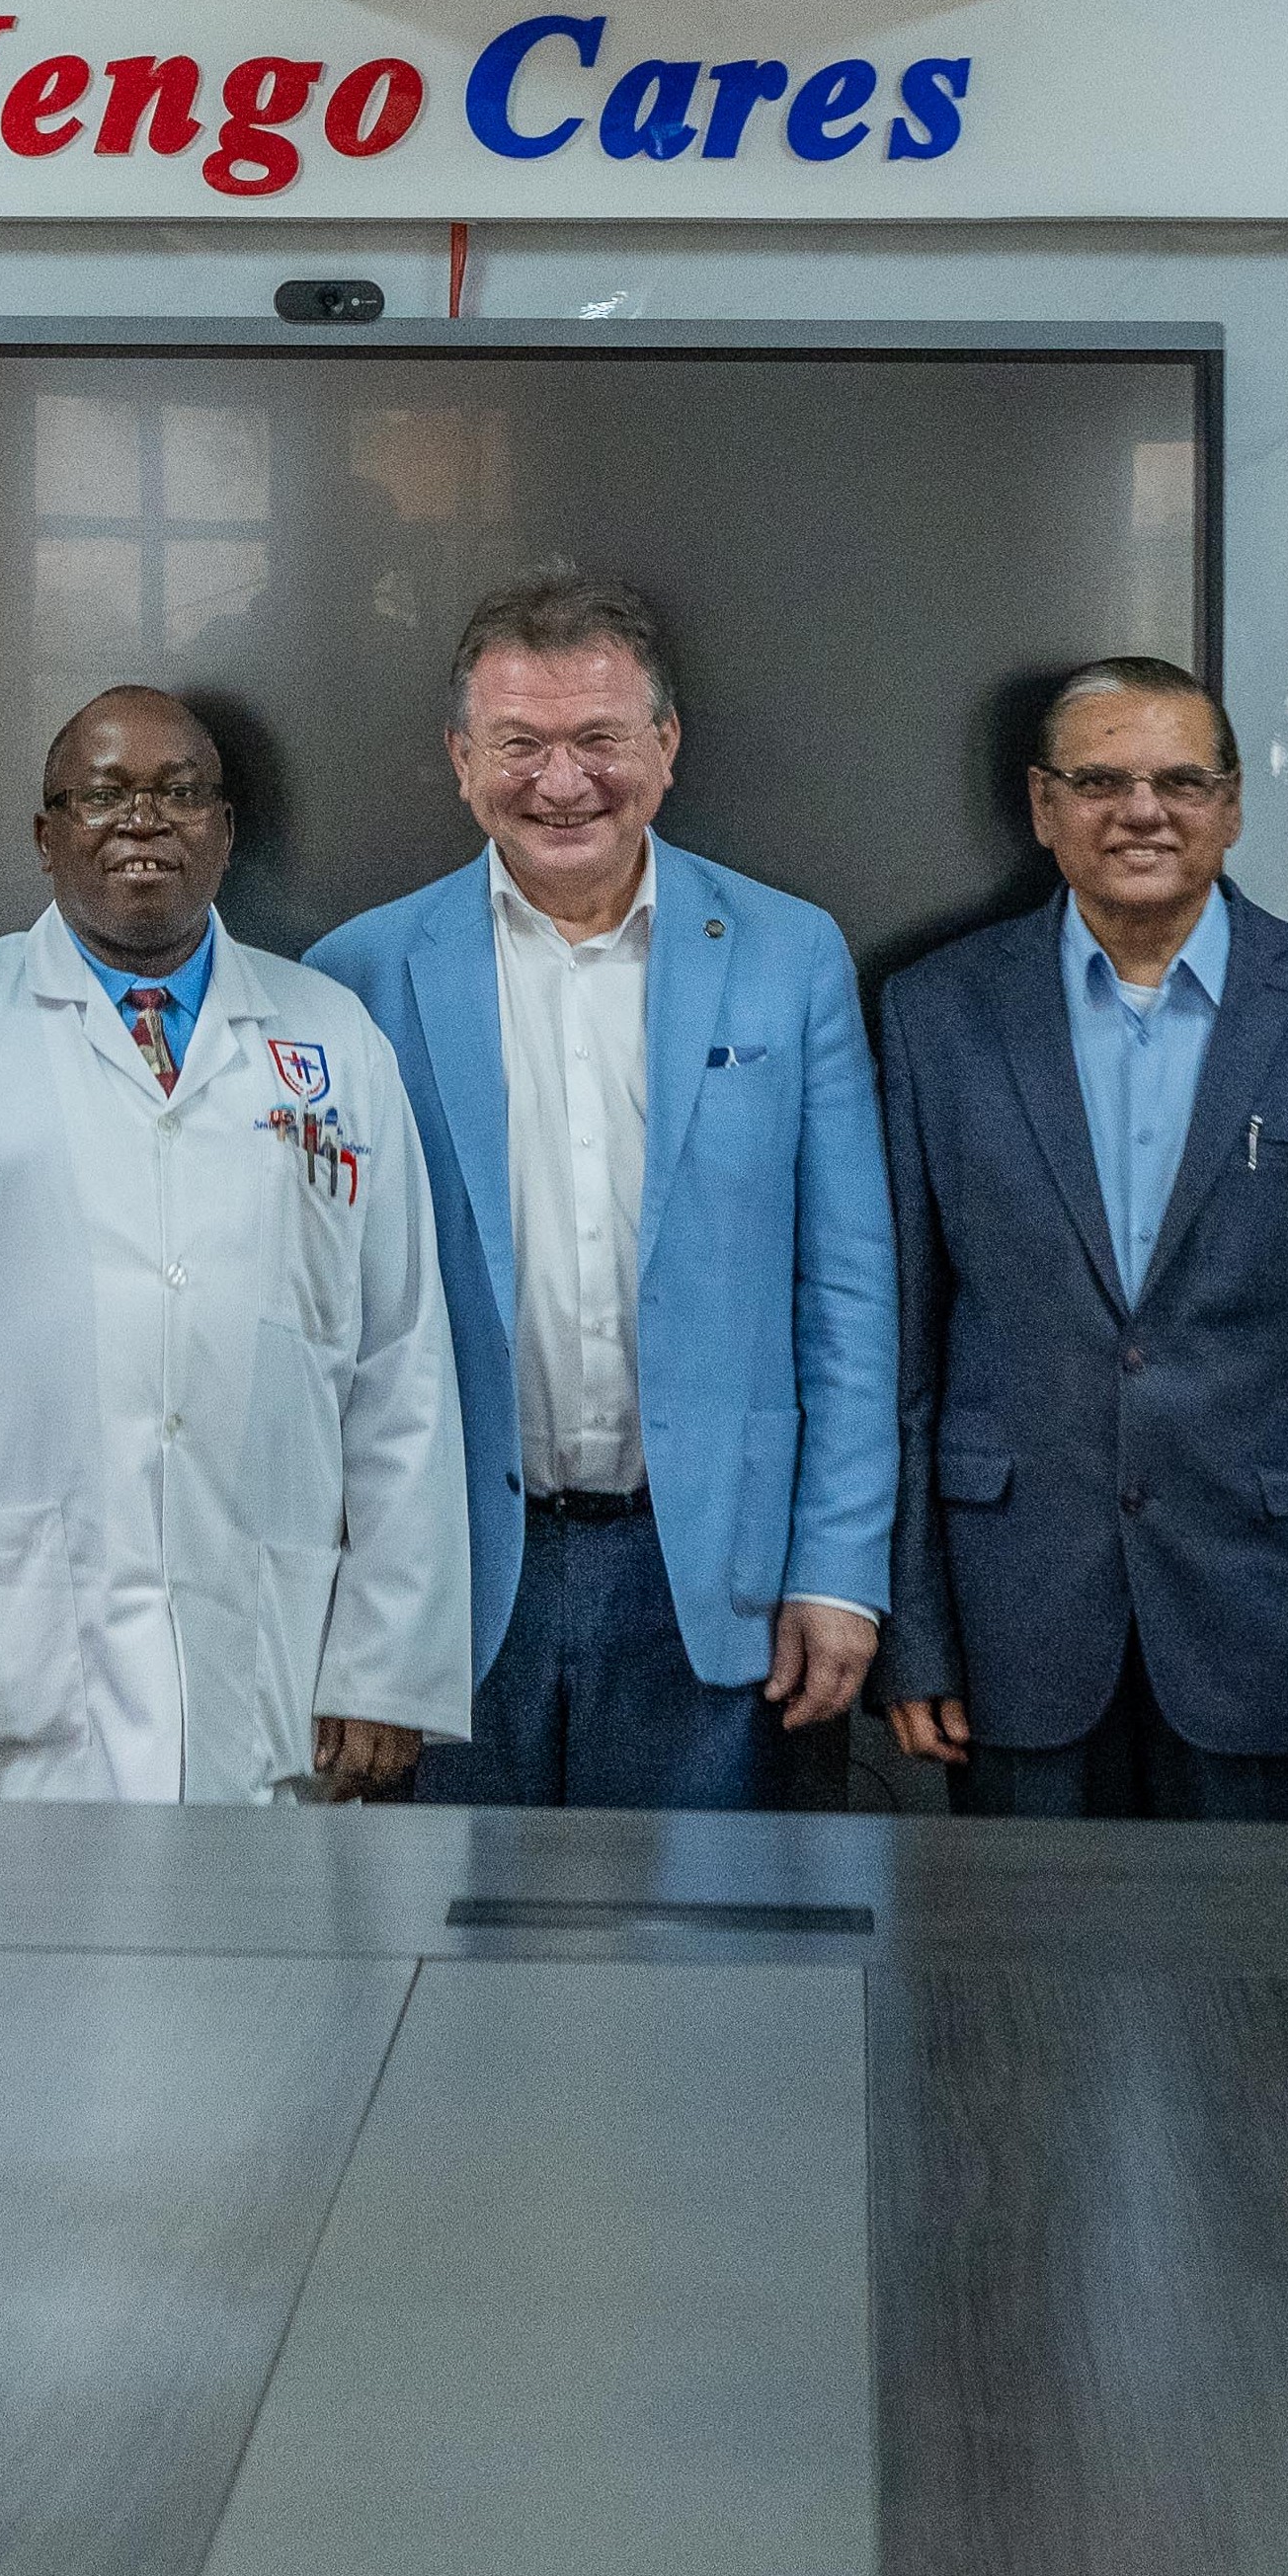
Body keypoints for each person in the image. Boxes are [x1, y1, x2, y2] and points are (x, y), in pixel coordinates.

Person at [0, 688, 463, 1802]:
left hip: (274, 1656)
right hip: (6, 1660)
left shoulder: (329, 1038)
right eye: (102, 793)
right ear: (44, 835)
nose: (142, 819)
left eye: (181, 792)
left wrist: (389, 1662)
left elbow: (400, 1366)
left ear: (226, 829)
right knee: (12, 1963)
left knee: (260, 1966)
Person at [313, 572, 894, 1810]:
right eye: (519, 744)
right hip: (451, 1578)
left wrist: (837, 1569)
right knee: (451, 1975)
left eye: (598, 740)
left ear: (665, 748)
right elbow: (317, 1315)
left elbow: (846, 1291)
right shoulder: (354, 978)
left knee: (706, 1974)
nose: (560, 781)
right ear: (463, 760)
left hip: (716, 1580)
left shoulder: (789, 956)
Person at [874, 658, 1288, 1821]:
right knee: (1018, 1995)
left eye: (1181, 781)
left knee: (1262, 1993)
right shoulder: (933, 1014)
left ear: (1233, 806)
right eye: (1100, 780)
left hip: (1275, 1628)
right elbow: (900, 1350)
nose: (1141, 811)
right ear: (1042, 807)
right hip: (1012, 1629)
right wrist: (912, 1629)